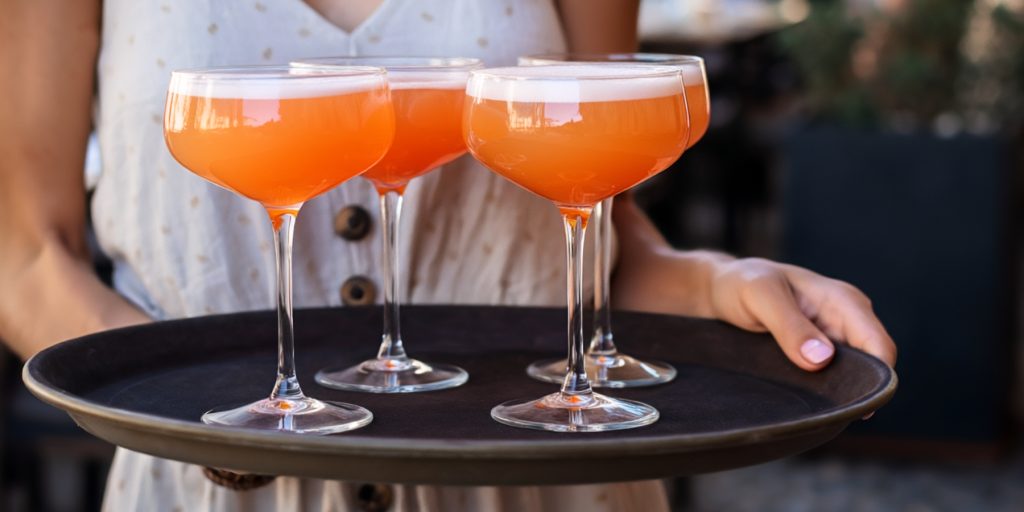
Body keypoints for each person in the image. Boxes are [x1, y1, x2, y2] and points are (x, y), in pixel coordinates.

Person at [0, 0, 896, 510]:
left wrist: (722, 282)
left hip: (544, 483)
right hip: (207, 493)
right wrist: (186, 399)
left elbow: (602, 235)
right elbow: (27, 254)